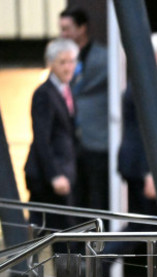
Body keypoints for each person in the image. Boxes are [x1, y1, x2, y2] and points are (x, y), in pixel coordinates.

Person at [102, 33, 157, 277]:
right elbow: (148, 132)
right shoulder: (146, 86)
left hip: (150, 167)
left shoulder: (156, 83)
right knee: (145, 224)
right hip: (144, 168)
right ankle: (99, 262)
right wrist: (150, 173)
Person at [24, 38, 79, 253]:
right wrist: (54, 175)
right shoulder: (44, 94)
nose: (68, 67)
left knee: (62, 235)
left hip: (62, 174)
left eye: (72, 61)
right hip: (47, 178)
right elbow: (42, 139)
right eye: (62, 62)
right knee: (56, 235)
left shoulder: (66, 90)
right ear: (51, 63)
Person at [59, 7, 109, 215]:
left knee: (97, 199)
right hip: (71, 143)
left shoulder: (105, 58)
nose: (64, 34)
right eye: (61, 29)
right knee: (74, 202)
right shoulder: (60, 60)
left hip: (97, 140)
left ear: (82, 29)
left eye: (67, 29)